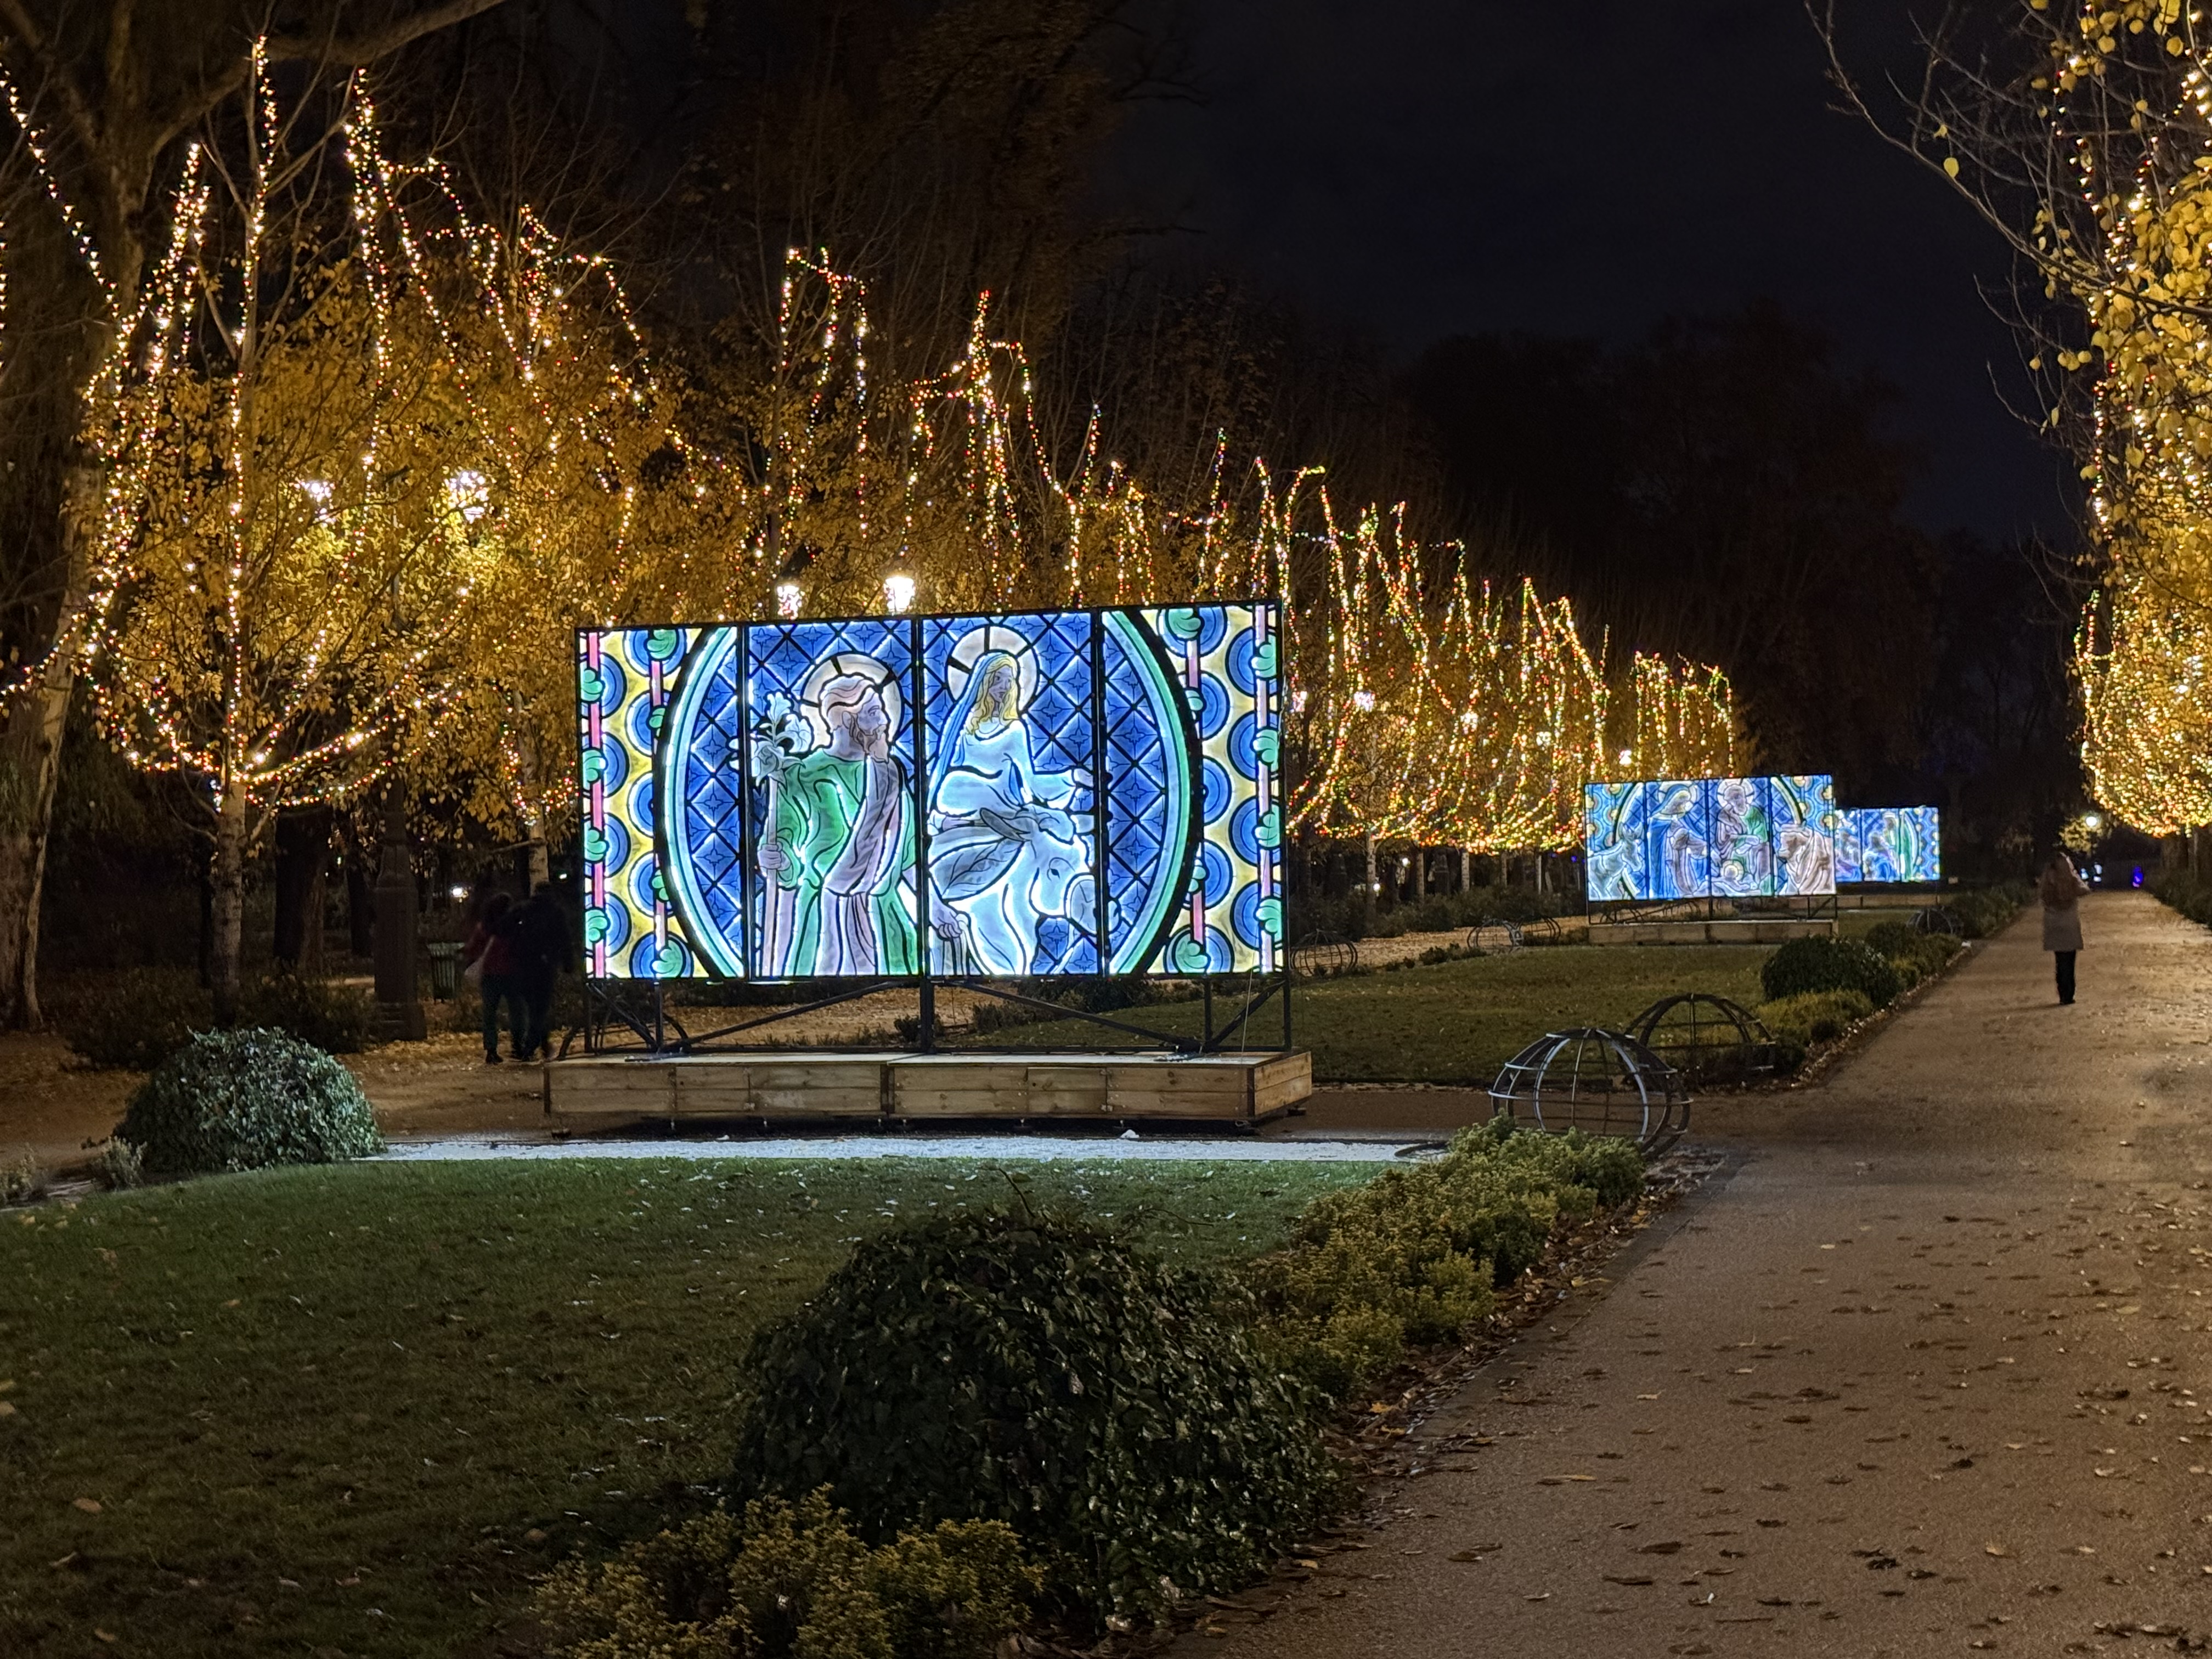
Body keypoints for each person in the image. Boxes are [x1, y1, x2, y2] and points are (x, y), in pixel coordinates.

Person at [511, 882, 573, 1060]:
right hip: (546, 965)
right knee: (541, 1007)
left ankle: (536, 1045)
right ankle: (534, 1046)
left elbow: (508, 930)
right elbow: (564, 938)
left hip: (525, 964)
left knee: (533, 1007)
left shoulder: (523, 910)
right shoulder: (556, 912)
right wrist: (568, 963)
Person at [462, 892, 526, 1063]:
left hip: (490, 974)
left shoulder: (484, 927)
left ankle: (491, 1049)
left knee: (490, 1013)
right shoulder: (515, 927)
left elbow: (472, 948)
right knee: (517, 1011)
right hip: (512, 974)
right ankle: (518, 1046)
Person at [2039, 851, 2089, 1006]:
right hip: (2069, 923)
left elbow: (2042, 896)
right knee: (2070, 960)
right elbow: (2085, 890)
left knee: (2059, 960)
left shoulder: (2048, 880)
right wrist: (2074, 876)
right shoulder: (2070, 879)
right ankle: (2069, 994)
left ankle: (2062, 993)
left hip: (2054, 923)